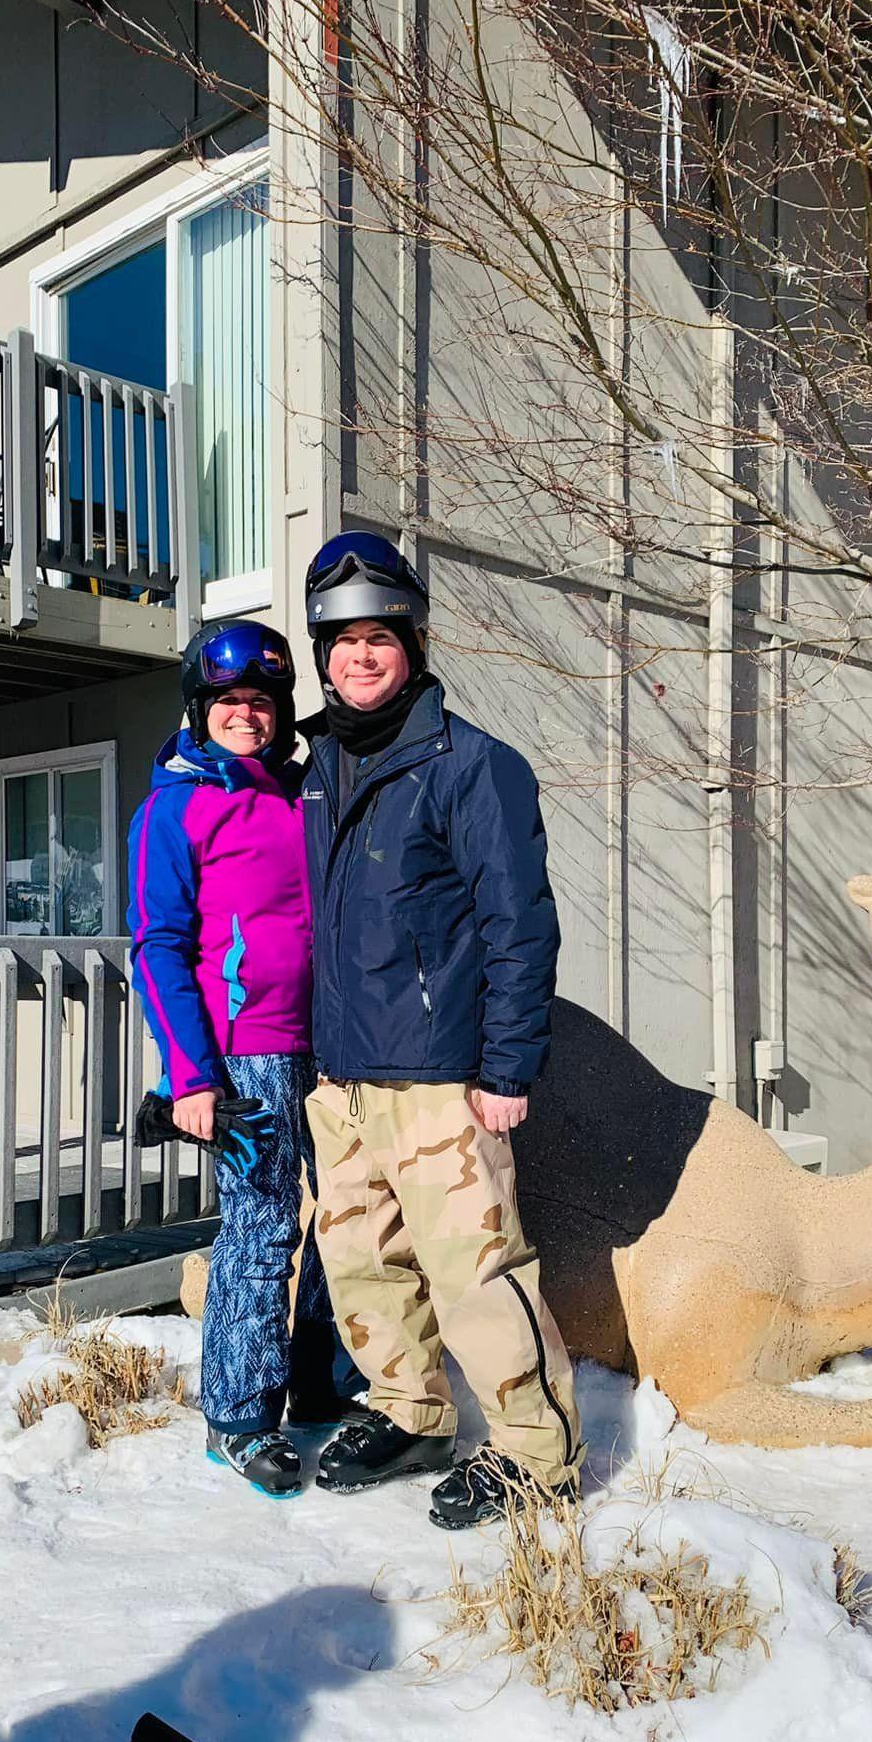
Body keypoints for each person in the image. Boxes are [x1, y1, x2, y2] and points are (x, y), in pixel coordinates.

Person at [295, 532, 585, 1530]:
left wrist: (507, 1065)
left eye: (378, 637)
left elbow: (520, 924)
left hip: (437, 1075)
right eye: (340, 640)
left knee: (474, 1268)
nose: (357, 657)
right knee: (360, 1259)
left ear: (412, 646)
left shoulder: (474, 768)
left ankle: (536, 1453)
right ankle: (410, 1408)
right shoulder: (318, 765)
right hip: (343, 1078)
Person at [126, 619, 365, 1498]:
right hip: (246, 1050)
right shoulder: (173, 809)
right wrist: (189, 1076)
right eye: (228, 701)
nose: (247, 716)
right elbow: (157, 947)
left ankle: (322, 1381)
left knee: (347, 1217)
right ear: (200, 710)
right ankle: (237, 1415)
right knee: (261, 1229)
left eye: (261, 702)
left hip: (334, 1042)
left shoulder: (302, 796)